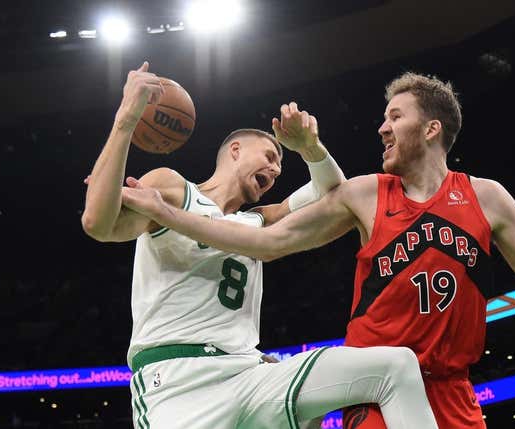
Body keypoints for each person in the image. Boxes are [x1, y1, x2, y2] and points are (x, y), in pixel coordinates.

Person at [119, 70, 515, 428]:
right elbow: (265, 242)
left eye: (395, 117)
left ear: (431, 129)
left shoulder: (485, 197)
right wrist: (167, 213)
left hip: (454, 390)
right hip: (375, 387)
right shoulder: (366, 194)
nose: (382, 129)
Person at [82, 62, 438, 429]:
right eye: (270, 156)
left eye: (280, 164)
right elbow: (98, 224)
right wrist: (127, 118)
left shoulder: (259, 221)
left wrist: (310, 147)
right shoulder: (173, 189)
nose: (277, 169)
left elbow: (334, 192)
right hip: (177, 382)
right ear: (235, 150)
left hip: (249, 374)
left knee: (395, 366)